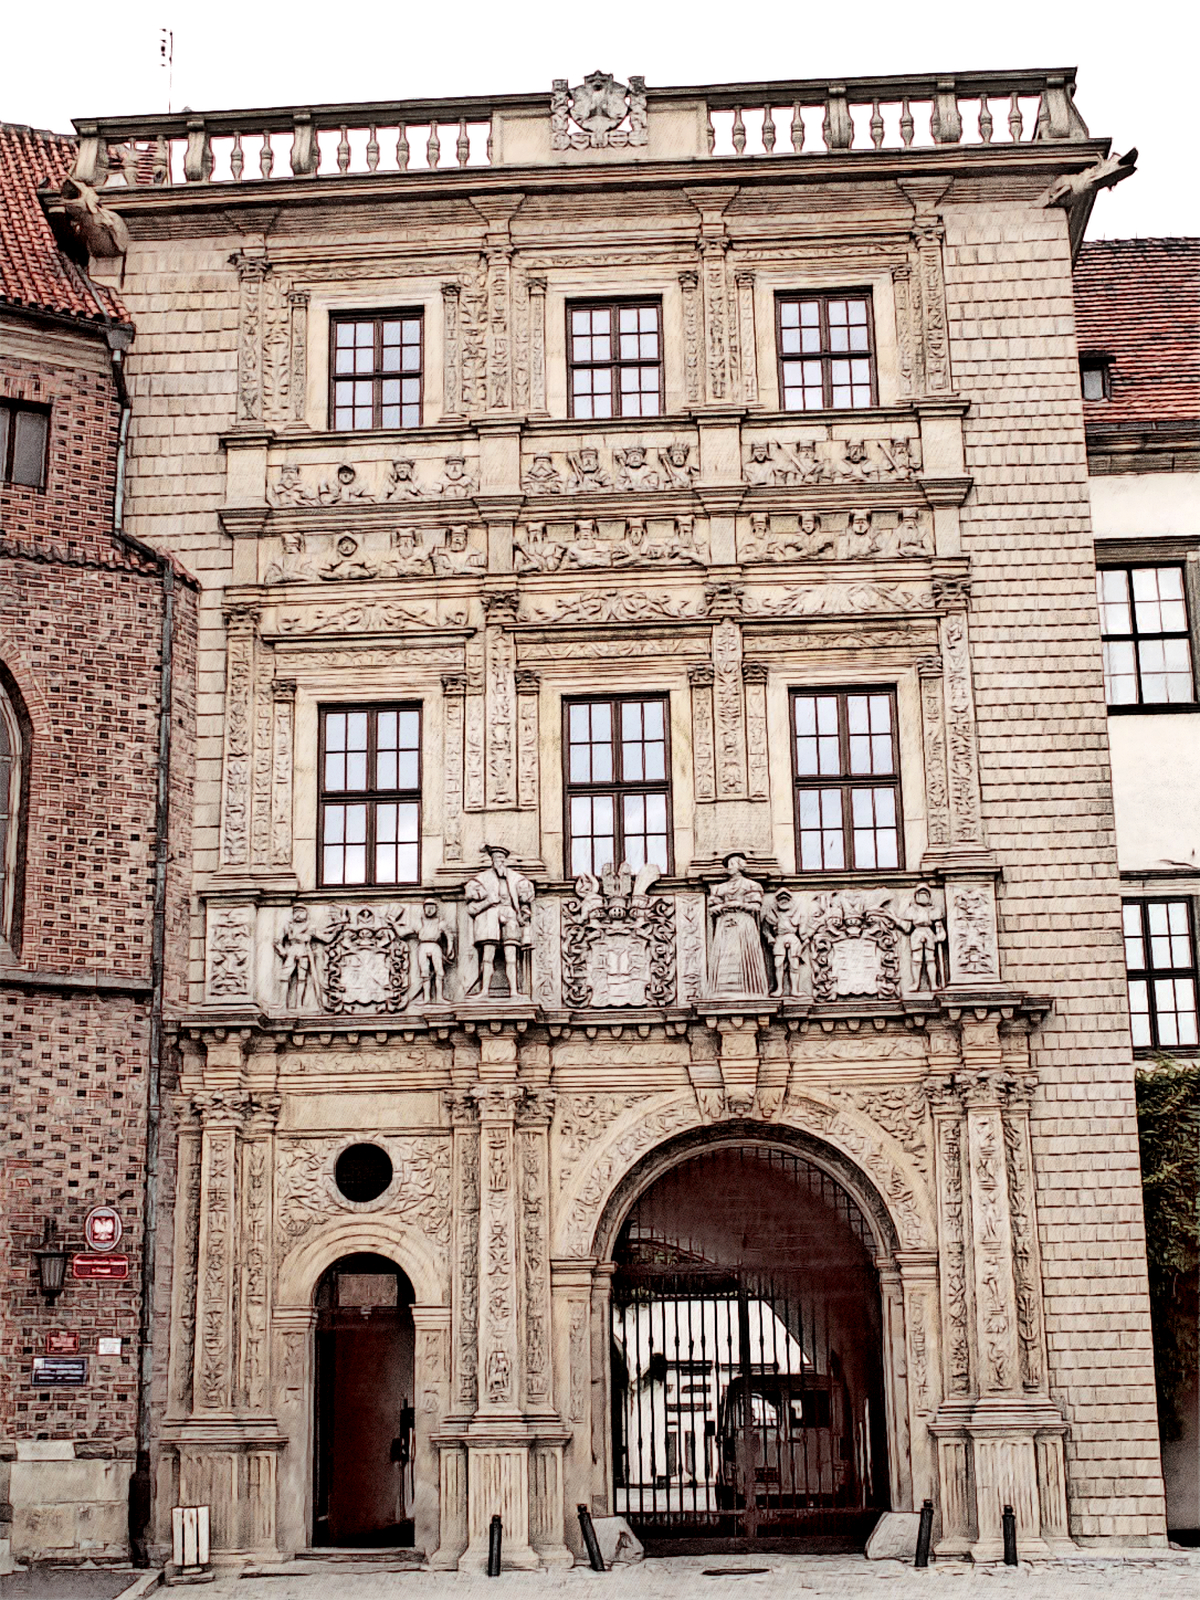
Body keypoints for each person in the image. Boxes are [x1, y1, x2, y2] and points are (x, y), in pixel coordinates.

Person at [465, 845, 535, 998]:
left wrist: (524, 908)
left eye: (502, 858)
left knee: (511, 955)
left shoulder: (515, 878)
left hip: (510, 914)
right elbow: (470, 895)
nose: (500, 861)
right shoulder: (482, 878)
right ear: (492, 860)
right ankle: (484, 991)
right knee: (487, 955)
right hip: (490, 915)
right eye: (497, 858)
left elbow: (526, 896)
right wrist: (485, 898)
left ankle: (514, 991)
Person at [707, 852, 770, 997]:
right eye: (728, 865)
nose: (729, 868)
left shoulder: (751, 885)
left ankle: (750, 990)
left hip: (744, 923)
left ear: (741, 866)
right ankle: (722, 991)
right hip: (724, 924)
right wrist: (723, 907)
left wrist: (739, 904)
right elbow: (712, 908)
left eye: (732, 864)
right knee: (724, 956)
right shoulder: (719, 888)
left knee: (744, 956)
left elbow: (756, 906)